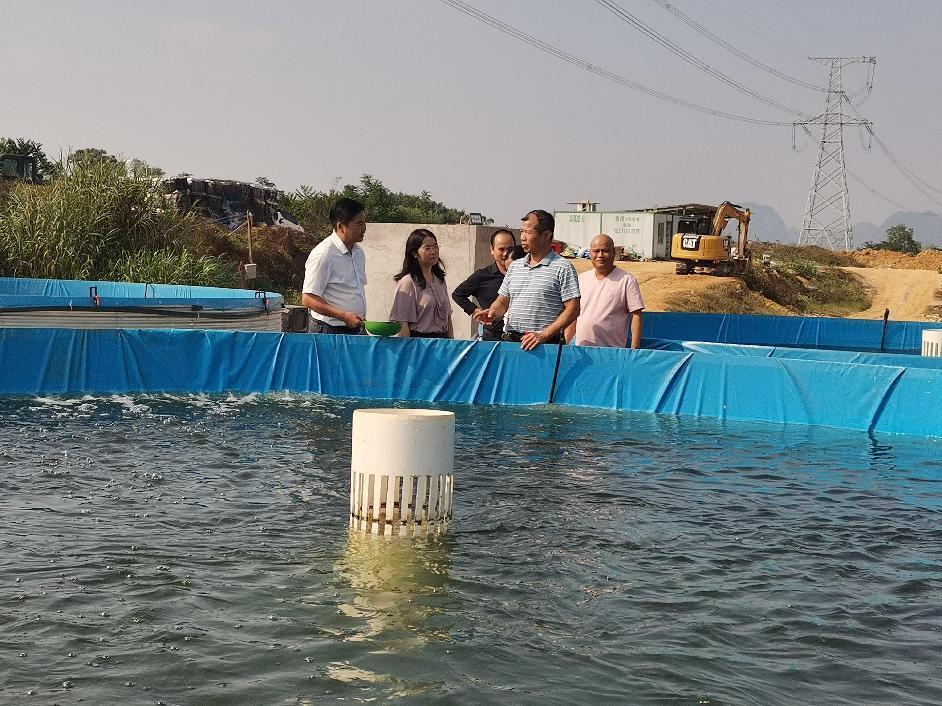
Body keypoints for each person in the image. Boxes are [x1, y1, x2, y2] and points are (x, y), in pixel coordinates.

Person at [474, 209, 580, 351]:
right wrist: (492, 312)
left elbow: (573, 309)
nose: (522, 237)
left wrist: (543, 335)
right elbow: (502, 302)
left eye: (528, 232)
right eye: (522, 232)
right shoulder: (515, 266)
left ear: (546, 235)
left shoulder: (563, 267)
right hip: (512, 344)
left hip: (544, 347)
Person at [301, 197, 368, 334]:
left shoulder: (358, 253)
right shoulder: (323, 254)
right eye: (359, 224)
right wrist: (343, 316)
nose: (364, 228)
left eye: (364, 223)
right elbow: (308, 298)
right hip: (327, 329)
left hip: (354, 328)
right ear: (340, 227)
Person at [565, 234, 645, 348]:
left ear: (613, 253)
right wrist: (565, 347)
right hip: (582, 351)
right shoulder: (581, 279)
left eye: (605, 251)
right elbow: (574, 316)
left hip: (611, 354)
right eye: (596, 251)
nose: (600, 255)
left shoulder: (627, 281)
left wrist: (634, 351)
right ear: (590, 253)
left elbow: (636, 316)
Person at [451, 228, 518, 341]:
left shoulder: (524, 274)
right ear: (492, 249)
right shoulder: (483, 276)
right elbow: (458, 294)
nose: (505, 254)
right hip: (493, 338)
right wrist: (476, 311)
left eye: (510, 249)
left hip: (520, 338)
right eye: (501, 249)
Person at [389, 228, 454, 338]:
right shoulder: (408, 282)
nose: (433, 251)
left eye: (435, 246)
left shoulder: (440, 280)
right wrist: (407, 351)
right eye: (427, 248)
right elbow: (402, 322)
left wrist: (452, 345)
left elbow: (448, 318)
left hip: (442, 345)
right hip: (419, 345)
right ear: (415, 253)